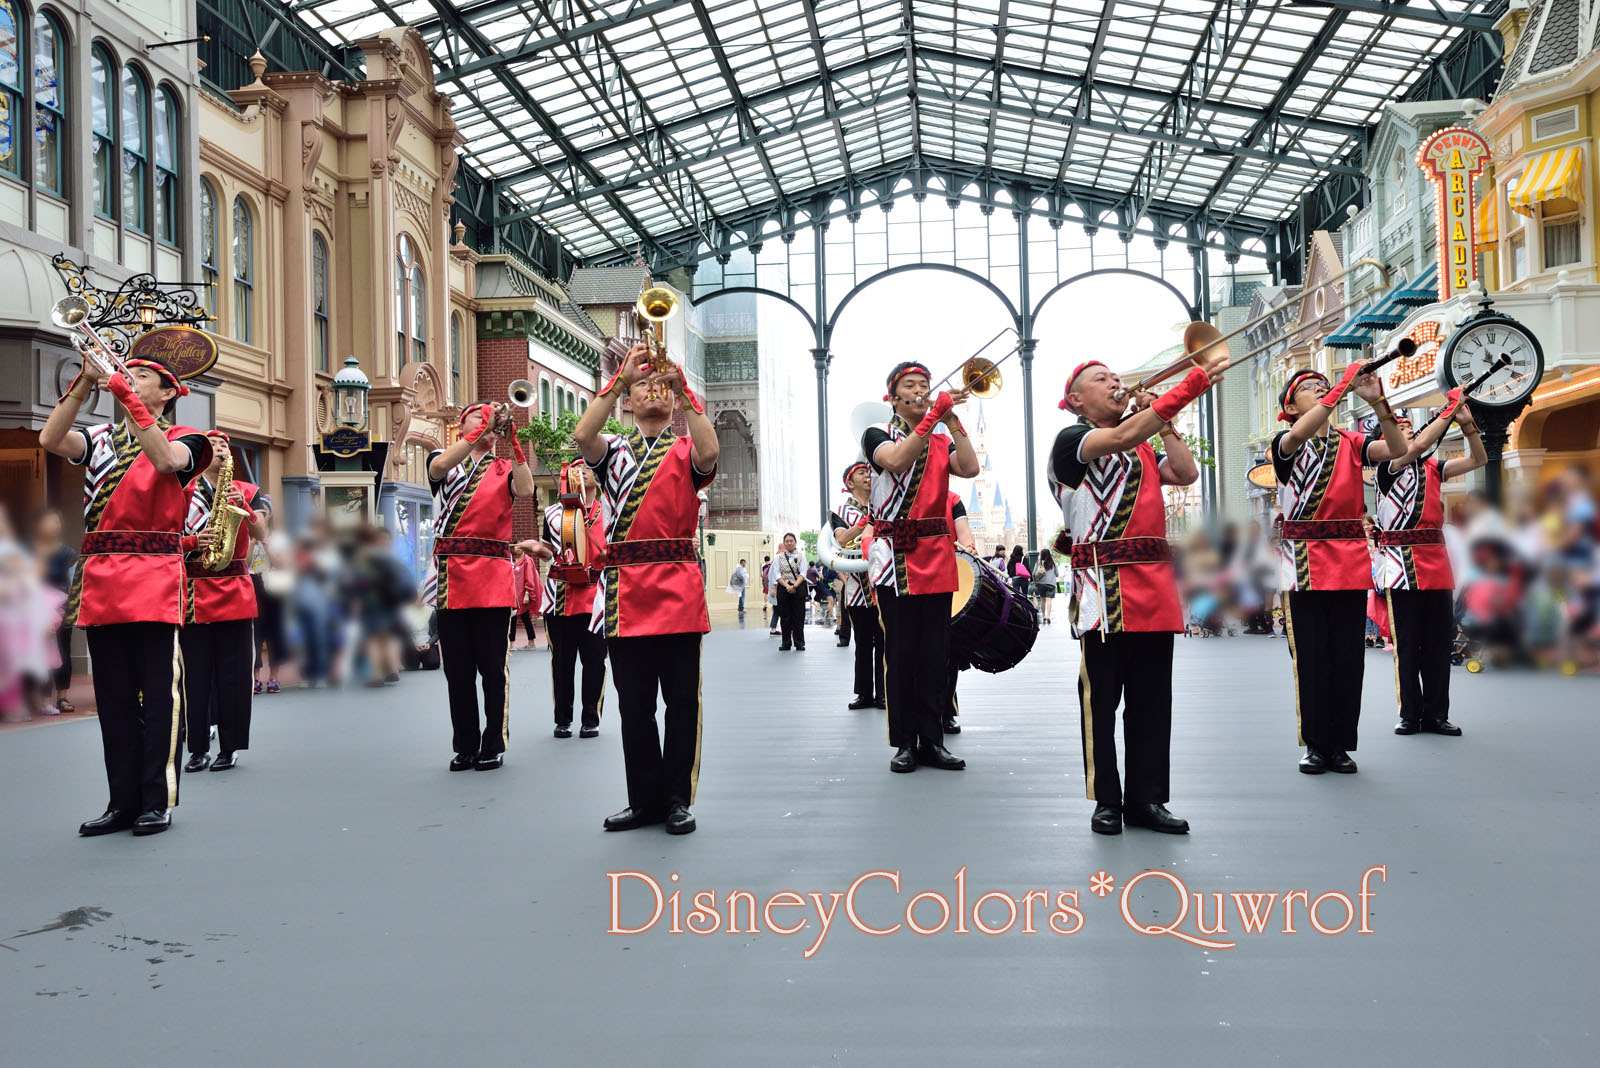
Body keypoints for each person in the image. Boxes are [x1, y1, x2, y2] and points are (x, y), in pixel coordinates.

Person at [1049, 352, 1226, 835]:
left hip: (1154, 587)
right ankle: (1106, 798)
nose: (1114, 383)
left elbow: (1186, 473)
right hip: (1103, 593)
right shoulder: (1072, 440)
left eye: (1114, 377)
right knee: (1101, 701)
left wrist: (1166, 422)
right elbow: (1124, 434)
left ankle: (1147, 799)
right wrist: (1181, 393)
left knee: (1152, 701)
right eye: (1100, 379)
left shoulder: (1143, 444)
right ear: (1075, 400)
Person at [39, 350, 212, 837]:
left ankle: (157, 800)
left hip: (155, 576)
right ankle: (122, 800)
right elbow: (50, 438)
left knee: (159, 695)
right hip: (102, 577)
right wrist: (83, 384)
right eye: (127, 373)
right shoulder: (98, 439)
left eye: (141, 377)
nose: (129, 379)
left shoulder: (190, 441)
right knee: (112, 697)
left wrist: (123, 395)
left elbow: (162, 462)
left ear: (167, 394)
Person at [575, 340, 718, 835]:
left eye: (661, 384)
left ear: (674, 398)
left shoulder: (684, 447)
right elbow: (581, 434)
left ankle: (677, 798)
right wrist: (616, 381)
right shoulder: (613, 450)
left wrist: (688, 393)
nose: (652, 389)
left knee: (681, 701)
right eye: (642, 385)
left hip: (677, 586)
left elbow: (710, 451)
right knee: (633, 704)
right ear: (628, 401)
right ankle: (644, 799)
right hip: (625, 593)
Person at [1274, 363, 1410, 775]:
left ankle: (1340, 745)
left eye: (1324, 386)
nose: (1321, 390)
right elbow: (1298, 435)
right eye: (1310, 389)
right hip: (1303, 565)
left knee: (1349, 659)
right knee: (1312, 658)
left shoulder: (1351, 441)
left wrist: (1377, 399)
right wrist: (1340, 390)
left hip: (1349, 561)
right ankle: (1316, 743)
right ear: (1291, 407)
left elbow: (1399, 450)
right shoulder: (1285, 442)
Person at [861, 361, 979, 774]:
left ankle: (933, 739)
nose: (920, 390)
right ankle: (904, 741)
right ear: (892, 397)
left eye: (925, 385)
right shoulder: (876, 434)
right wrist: (934, 417)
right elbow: (894, 460)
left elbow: (970, 468)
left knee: (936, 655)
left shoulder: (939, 437)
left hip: (936, 554)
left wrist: (954, 419)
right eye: (910, 385)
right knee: (901, 652)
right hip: (895, 556)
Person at [424, 401, 535, 772]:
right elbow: (438, 468)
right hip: (452, 576)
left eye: (490, 417)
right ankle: (465, 744)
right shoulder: (444, 457)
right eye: (478, 415)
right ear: (462, 425)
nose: (487, 421)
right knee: (457, 670)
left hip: (491, 576)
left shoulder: (502, 467)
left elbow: (525, 488)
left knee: (492, 667)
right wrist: (480, 429)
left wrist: (513, 441)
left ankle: (493, 742)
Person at [1371, 402, 1487, 735]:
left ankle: (1436, 714)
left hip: (1436, 564)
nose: (1408, 429)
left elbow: (1478, 459)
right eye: (1400, 427)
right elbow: (1419, 446)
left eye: (1410, 425)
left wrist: (1468, 426)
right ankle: (1410, 713)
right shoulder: (1387, 468)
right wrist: (1448, 411)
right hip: (1400, 566)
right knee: (1407, 644)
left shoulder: (1433, 467)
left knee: (1438, 644)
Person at [179, 431, 270, 772]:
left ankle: (229, 747)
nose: (219, 450)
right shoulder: (182, 489)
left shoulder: (245, 489)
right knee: (195, 675)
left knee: (233, 674)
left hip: (233, 586)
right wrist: (191, 542)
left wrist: (244, 507)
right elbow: (170, 534)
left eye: (223, 446)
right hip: (193, 589)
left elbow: (262, 534)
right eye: (212, 445)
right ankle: (198, 747)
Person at [522, 460, 608, 739]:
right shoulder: (553, 513)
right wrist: (537, 549)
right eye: (576, 468)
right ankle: (563, 719)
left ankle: (591, 718)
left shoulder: (610, 511)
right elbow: (547, 550)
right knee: (562, 661)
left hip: (596, 597)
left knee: (595, 661)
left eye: (587, 467)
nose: (581, 471)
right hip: (560, 595)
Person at [829, 461, 884, 708]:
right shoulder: (843, 510)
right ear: (849, 483)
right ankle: (864, 693)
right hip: (857, 587)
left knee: (884, 642)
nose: (868, 476)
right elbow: (841, 539)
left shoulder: (883, 504)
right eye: (862, 473)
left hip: (883, 582)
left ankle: (884, 693)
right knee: (863, 642)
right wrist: (865, 525)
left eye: (869, 472)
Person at [31, 510, 77, 713]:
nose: (54, 525)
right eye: (50, 521)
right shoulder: (30, 551)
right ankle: (42, 699)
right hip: (36, 607)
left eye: (57, 522)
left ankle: (62, 696)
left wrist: (70, 608)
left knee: (63, 651)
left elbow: (73, 582)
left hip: (61, 608)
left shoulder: (68, 553)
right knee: (40, 653)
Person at [944, 490, 976, 735]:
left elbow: (963, 533)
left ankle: (946, 711)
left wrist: (969, 548)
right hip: (909, 579)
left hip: (946, 578)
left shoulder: (952, 499)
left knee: (947, 652)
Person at [773, 533, 808, 650]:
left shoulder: (802, 556)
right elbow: (777, 574)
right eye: (787, 541)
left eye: (791, 541)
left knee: (798, 616)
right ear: (784, 543)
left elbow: (803, 573)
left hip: (798, 588)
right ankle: (786, 643)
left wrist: (794, 586)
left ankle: (799, 643)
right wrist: (787, 586)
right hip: (783, 588)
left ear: (795, 542)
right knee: (785, 616)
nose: (789, 543)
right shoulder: (778, 557)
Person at [510, 543, 542, 649]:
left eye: (520, 547)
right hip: (513, 596)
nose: (518, 549)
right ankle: (511, 643)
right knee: (513, 619)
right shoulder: (512, 560)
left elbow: (530, 578)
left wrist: (527, 593)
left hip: (523, 595)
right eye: (516, 547)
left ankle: (531, 642)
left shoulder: (527, 561)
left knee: (526, 618)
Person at [1034, 549, 1058, 625]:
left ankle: (1044, 616)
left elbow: (1034, 573)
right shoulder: (1053, 563)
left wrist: (1035, 582)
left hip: (1041, 584)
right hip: (1051, 584)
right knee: (1049, 600)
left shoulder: (1039, 562)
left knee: (1043, 600)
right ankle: (1048, 616)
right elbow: (1057, 574)